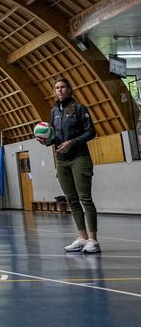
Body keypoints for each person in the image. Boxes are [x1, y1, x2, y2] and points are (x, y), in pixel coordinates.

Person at [39, 77, 99, 253]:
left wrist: (72, 142)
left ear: (70, 89)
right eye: (57, 87)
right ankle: (82, 238)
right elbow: (55, 137)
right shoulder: (53, 112)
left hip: (79, 157)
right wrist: (46, 140)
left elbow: (91, 132)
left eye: (63, 87)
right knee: (72, 200)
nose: (60, 90)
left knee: (85, 198)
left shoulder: (79, 108)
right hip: (62, 160)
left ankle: (93, 241)